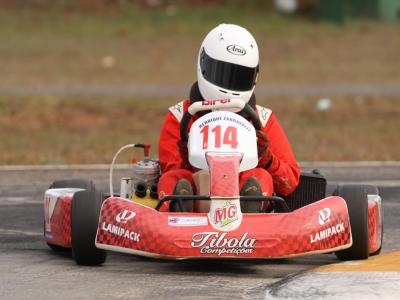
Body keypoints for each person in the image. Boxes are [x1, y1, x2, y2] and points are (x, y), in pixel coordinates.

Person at [157, 24, 300, 212]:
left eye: (239, 77)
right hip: (195, 198)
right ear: (204, 63)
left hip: (240, 208)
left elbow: (290, 183)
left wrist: (267, 160)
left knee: (260, 176)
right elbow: (171, 169)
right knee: (172, 179)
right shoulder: (179, 115)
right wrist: (186, 155)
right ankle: (179, 209)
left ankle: (250, 209)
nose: (228, 84)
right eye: (221, 72)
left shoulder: (263, 120)